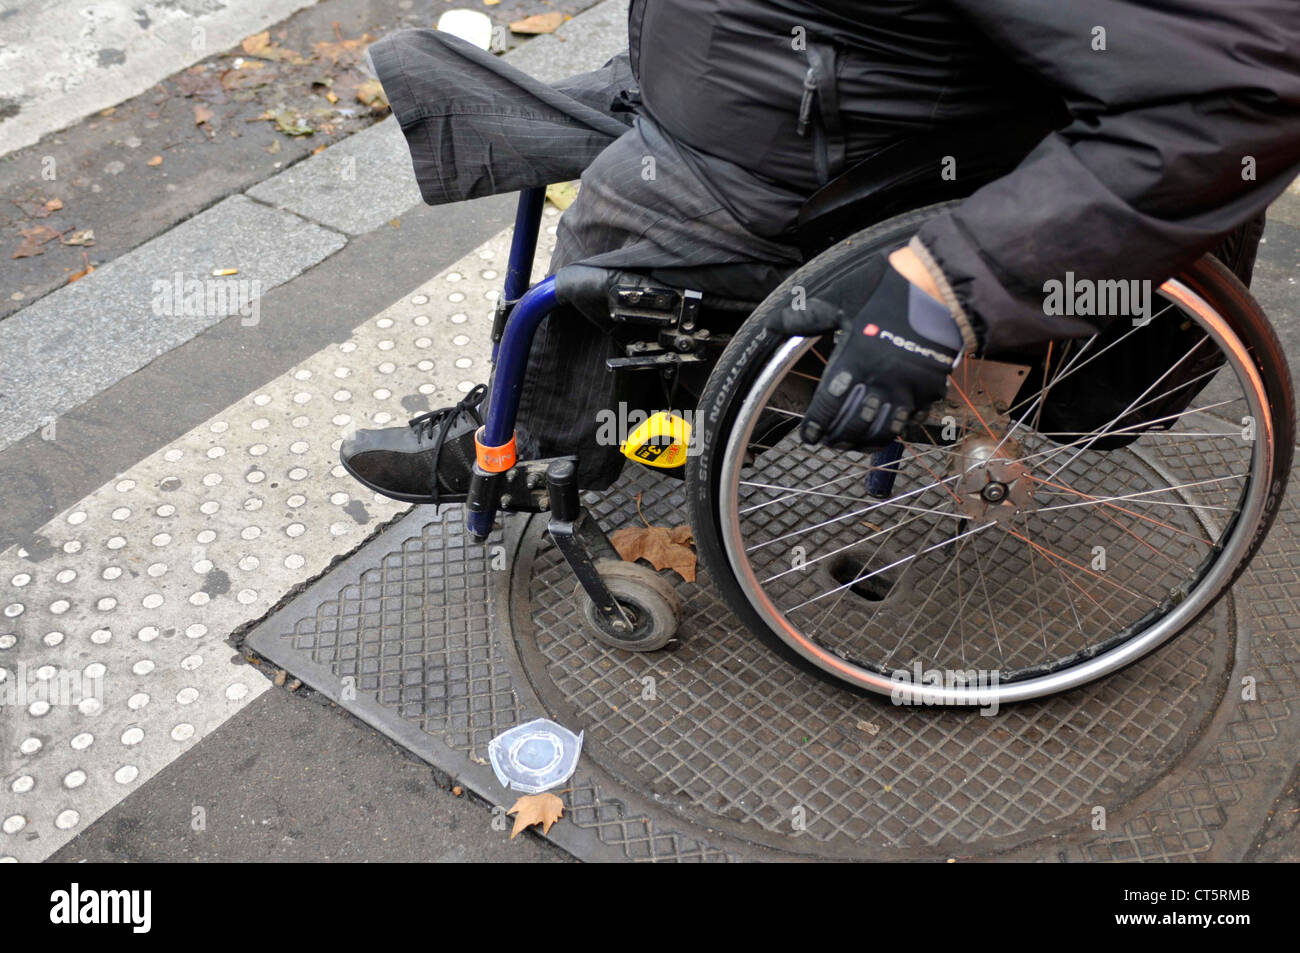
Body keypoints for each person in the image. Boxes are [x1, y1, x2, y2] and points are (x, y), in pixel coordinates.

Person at [340, 0, 1300, 505]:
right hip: (769, 92)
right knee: (509, 111)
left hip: (814, 171)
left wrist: (950, 285)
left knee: (606, 225)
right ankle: (646, 413)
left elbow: (1242, 89)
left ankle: (530, 446)